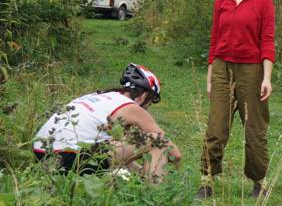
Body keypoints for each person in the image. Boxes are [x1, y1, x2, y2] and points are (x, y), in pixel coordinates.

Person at [198, 0, 275, 199]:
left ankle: (258, 181)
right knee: (216, 126)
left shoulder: (264, 2)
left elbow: (267, 41)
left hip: (251, 70)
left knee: (254, 127)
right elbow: (213, 40)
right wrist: (211, 76)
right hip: (222, 67)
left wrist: (266, 77)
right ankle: (207, 179)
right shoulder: (222, 1)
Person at [32, 63, 181, 183]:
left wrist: (138, 172)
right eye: (150, 103)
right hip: (69, 158)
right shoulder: (131, 107)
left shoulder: (99, 97)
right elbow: (175, 153)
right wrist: (179, 175)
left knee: (119, 141)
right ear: (144, 95)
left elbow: (118, 149)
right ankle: (156, 200)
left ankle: (137, 181)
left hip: (42, 155)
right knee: (157, 141)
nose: (148, 108)